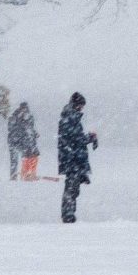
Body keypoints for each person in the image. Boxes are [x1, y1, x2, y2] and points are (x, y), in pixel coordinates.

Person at [57, 92, 97, 224]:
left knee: (73, 188)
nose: (82, 108)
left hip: (72, 158)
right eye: (81, 105)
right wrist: (89, 138)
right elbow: (75, 138)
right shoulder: (70, 117)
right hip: (72, 159)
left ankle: (69, 214)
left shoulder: (70, 116)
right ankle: (68, 215)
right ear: (76, 104)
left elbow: (74, 137)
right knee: (71, 188)